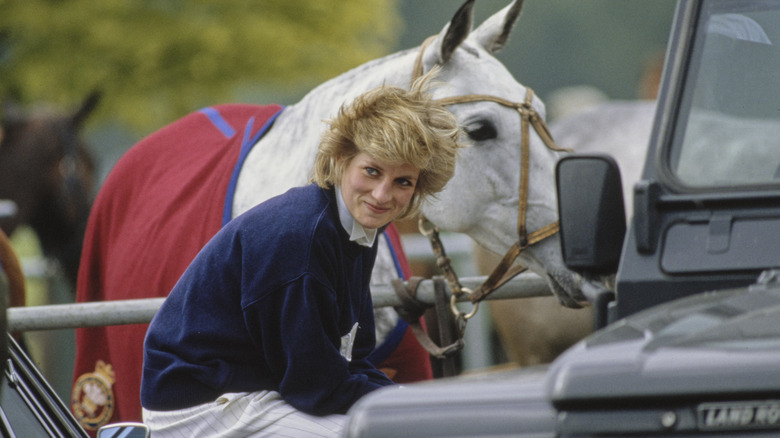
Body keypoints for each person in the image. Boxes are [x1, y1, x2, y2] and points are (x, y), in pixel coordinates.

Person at [140, 68, 462, 437]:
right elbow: (316, 388)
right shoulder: (304, 237)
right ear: (342, 159)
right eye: (372, 171)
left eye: (402, 182)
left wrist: (417, 403)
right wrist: (415, 406)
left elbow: (349, 361)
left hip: (257, 389)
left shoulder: (354, 225)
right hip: (203, 404)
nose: (382, 194)